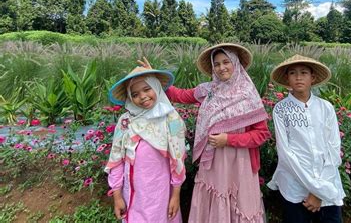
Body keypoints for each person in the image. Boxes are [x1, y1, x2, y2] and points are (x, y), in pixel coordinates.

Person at [139, 43, 271, 223]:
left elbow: (261, 134)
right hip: (213, 163)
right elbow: (180, 95)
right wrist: (154, 77)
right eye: (216, 64)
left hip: (240, 165)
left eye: (226, 62)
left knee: (240, 205)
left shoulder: (248, 94)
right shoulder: (208, 90)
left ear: (236, 63)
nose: (221, 68)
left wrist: (229, 139)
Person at [267, 54, 345, 223]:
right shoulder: (281, 110)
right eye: (293, 73)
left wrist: (318, 191)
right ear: (287, 79)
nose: (299, 77)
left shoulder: (326, 108)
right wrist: (314, 188)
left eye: (304, 72)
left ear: (313, 78)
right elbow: (286, 153)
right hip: (294, 184)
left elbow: (333, 149)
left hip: (327, 181)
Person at [105, 66, 187, 222]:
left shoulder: (171, 119)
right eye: (135, 94)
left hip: (162, 194)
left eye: (147, 89)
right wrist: (117, 195)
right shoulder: (125, 121)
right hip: (134, 196)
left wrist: (175, 195)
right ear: (130, 98)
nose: (142, 96)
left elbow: (178, 159)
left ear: (156, 87)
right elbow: (116, 159)